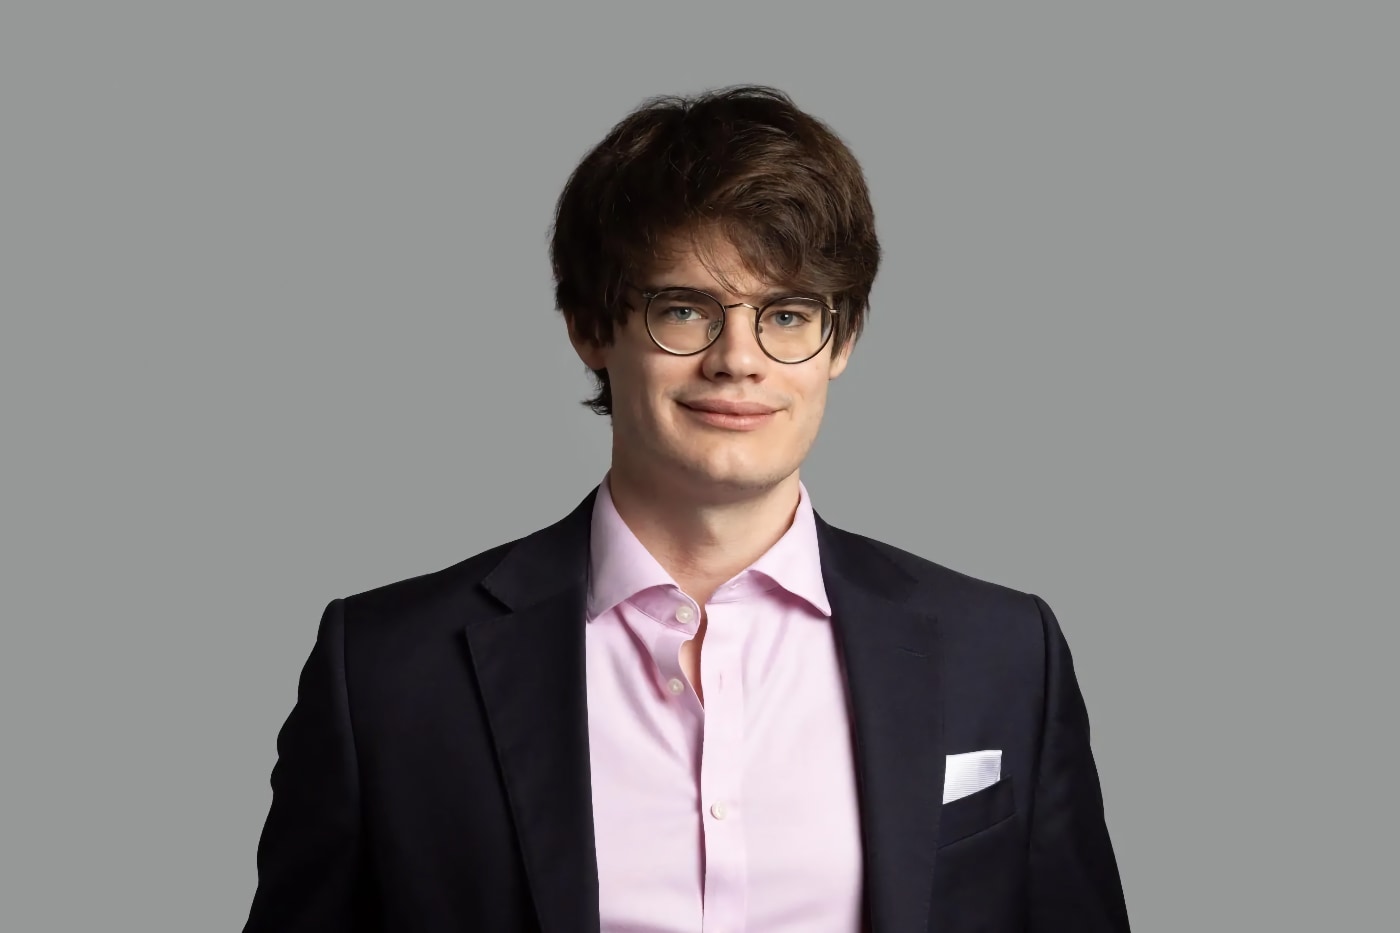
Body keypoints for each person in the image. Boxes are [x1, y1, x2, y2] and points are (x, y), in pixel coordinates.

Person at [242, 85, 1130, 933]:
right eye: (684, 310)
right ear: (591, 327)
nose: (737, 358)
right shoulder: (389, 672)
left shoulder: (1005, 654)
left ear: (842, 340)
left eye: (787, 315)